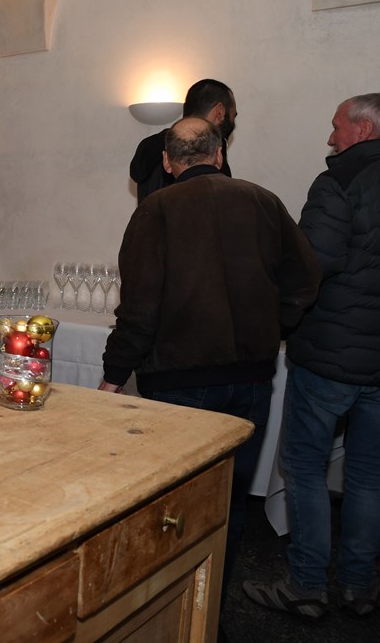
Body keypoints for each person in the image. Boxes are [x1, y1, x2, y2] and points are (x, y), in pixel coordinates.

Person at [101, 117, 320, 608]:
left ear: (167, 161)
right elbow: (306, 279)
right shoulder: (264, 201)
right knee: (229, 499)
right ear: (219, 155)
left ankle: (175, 614)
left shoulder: (156, 210)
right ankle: (210, 607)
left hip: (179, 381)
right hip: (252, 378)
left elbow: (139, 309)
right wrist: (275, 325)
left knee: (174, 504)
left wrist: (113, 376)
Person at [243, 93, 380, 620]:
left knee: (303, 467)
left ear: (363, 129)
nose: (330, 136)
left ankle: (305, 585)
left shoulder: (338, 181)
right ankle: (359, 586)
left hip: (329, 352)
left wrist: (278, 315)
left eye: (337, 126)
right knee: (368, 476)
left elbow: (312, 262)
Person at [129, 79, 237, 203]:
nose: (233, 123)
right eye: (233, 116)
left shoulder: (150, 146)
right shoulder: (210, 150)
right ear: (220, 111)